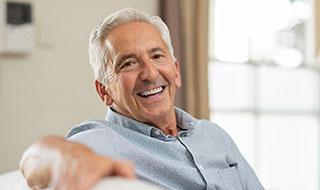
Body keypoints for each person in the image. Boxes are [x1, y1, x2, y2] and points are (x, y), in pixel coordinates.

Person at [20, 7, 264, 190]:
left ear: (176, 71)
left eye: (157, 56)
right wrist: (66, 161)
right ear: (104, 91)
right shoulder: (102, 143)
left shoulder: (214, 135)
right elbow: (34, 160)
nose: (149, 73)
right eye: (128, 63)